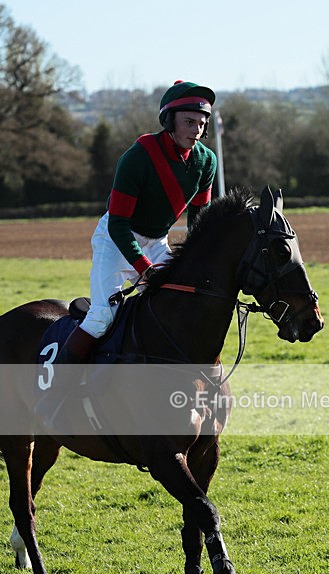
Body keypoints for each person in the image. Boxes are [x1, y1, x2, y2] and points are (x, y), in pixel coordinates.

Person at [36, 80, 217, 424]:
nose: (197, 130)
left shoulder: (206, 162)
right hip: (116, 239)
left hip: (158, 240)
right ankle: (56, 395)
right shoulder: (138, 157)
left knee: (182, 305)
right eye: (190, 121)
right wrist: (144, 269)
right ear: (170, 120)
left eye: (202, 123)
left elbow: (200, 221)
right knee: (102, 316)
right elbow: (119, 224)